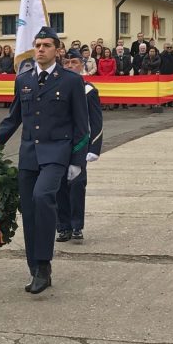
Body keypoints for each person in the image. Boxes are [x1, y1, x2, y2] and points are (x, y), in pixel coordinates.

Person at [0, 27, 89, 294]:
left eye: (46, 45)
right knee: (30, 211)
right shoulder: (24, 80)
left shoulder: (70, 80)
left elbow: (82, 124)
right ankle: (35, 268)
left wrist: (78, 160)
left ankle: (44, 264)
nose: (40, 49)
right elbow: (13, 118)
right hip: (29, 156)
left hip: (57, 154)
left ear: (57, 50)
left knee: (43, 198)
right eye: (38, 44)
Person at [56, 49, 103, 243]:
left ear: (82, 65)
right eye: (66, 63)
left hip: (79, 145)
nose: (69, 66)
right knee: (59, 187)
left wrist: (94, 148)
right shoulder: (57, 86)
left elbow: (96, 121)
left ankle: (76, 226)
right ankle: (63, 227)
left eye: (73, 62)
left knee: (76, 185)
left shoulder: (88, 89)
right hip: (59, 145)